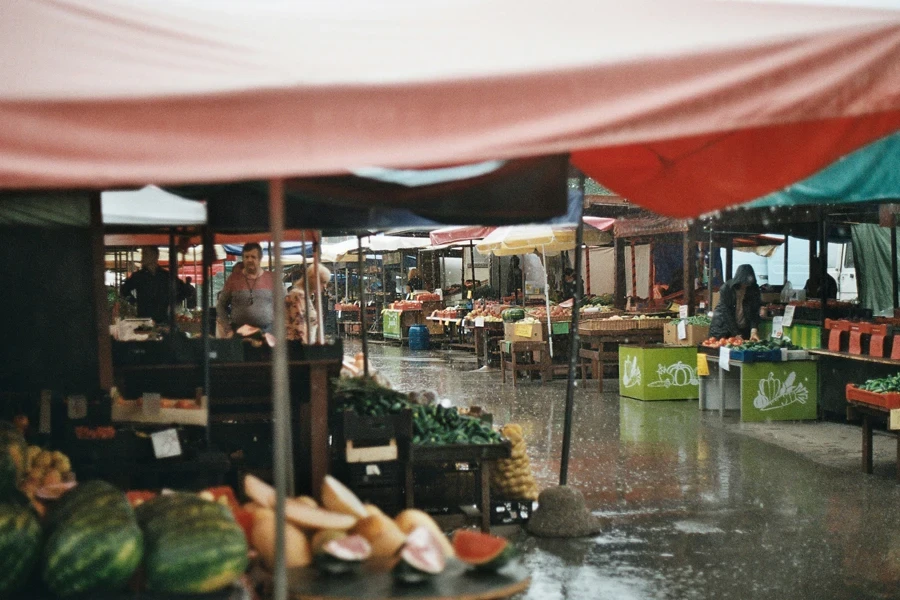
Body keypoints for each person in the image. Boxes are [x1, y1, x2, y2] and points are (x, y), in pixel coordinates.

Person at [216, 243, 275, 335]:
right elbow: (221, 306)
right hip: (239, 334)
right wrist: (227, 328)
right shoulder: (233, 279)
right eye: (246, 257)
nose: (249, 260)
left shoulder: (272, 278)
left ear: (260, 258)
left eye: (253, 257)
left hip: (267, 333)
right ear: (243, 258)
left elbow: (284, 305)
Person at [120, 246, 180, 324]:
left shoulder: (166, 276)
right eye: (143, 254)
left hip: (163, 320)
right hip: (144, 320)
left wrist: (170, 302)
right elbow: (124, 290)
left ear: (155, 256)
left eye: (146, 254)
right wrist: (134, 301)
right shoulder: (138, 276)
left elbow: (184, 290)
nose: (143, 257)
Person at [709, 264, 762, 341]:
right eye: (744, 282)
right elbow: (726, 312)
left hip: (743, 327)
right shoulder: (727, 288)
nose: (745, 285)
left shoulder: (754, 289)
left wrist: (754, 331)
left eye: (748, 283)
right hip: (722, 327)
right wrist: (736, 333)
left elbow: (754, 311)